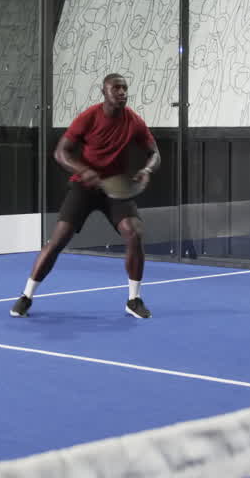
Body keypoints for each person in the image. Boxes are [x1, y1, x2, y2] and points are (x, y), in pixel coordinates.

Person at [11, 73, 160, 319]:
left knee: (134, 233)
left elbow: (154, 153)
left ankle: (134, 300)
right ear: (104, 92)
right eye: (116, 88)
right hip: (85, 187)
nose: (122, 92)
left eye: (124, 88)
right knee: (58, 241)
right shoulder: (89, 117)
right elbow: (61, 153)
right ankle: (26, 296)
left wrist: (147, 170)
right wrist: (83, 170)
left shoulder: (134, 121)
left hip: (115, 188)